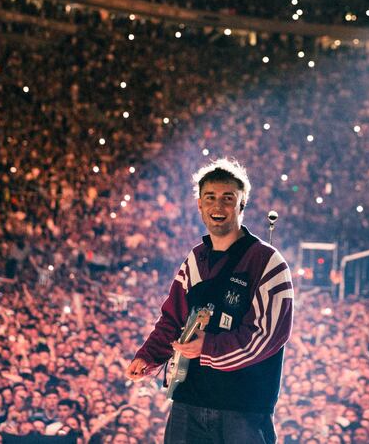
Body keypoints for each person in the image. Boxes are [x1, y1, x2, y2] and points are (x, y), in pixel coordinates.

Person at [125, 159, 294, 443]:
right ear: (200, 206)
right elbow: (172, 319)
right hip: (188, 401)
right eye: (210, 198)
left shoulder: (267, 262)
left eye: (228, 198)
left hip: (243, 409)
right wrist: (149, 356)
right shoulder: (195, 259)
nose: (218, 206)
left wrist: (209, 347)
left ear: (242, 204)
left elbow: (269, 336)